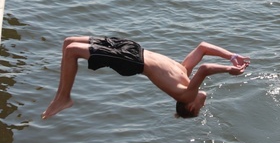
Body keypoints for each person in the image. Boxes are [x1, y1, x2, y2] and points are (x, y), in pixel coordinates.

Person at [42, 36, 250, 120]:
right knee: (68, 42)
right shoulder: (183, 75)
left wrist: (228, 70)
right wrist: (231, 56)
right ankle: (62, 95)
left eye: (200, 109)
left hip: (132, 62)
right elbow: (203, 48)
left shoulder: (186, 96)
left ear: (190, 107)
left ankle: (63, 98)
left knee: (72, 51)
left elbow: (204, 69)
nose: (202, 105)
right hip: (133, 49)